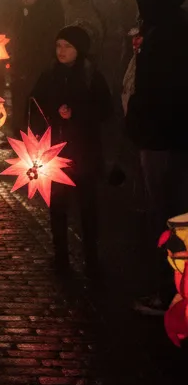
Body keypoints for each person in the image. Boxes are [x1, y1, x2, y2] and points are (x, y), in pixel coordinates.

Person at [126, 0, 188, 315]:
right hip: (170, 135)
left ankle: (170, 294)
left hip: (164, 139)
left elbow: (157, 90)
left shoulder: (166, 34)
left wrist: (137, 116)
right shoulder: (170, 27)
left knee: (169, 217)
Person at [28, 26, 111, 277]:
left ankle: (91, 257)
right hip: (55, 152)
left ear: (80, 50)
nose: (61, 51)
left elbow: (105, 110)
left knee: (87, 207)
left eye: (68, 46)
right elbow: (34, 104)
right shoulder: (49, 74)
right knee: (58, 205)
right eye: (58, 45)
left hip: (83, 150)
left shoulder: (91, 75)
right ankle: (60, 255)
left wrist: (76, 112)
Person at [12, 0, 66, 132]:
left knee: (35, 96)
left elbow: (35, 40)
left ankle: (34, 132)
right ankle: (24, 130)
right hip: (28, 61)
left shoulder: (44, 12)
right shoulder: (27, 9)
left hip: (37, 62)